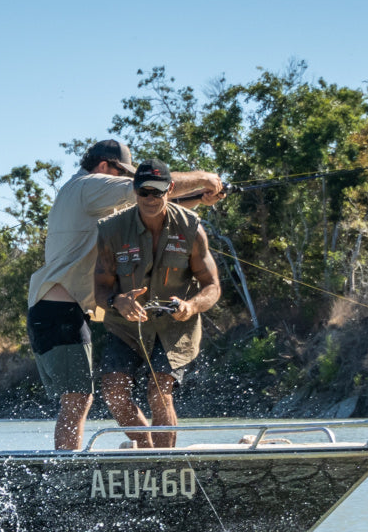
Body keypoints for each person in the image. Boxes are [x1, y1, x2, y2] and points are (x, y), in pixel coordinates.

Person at [27, 139, 224, 449]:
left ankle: (149, 460)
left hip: (61, 309)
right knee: (77, 399)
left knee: (80, 397)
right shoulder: (89, 185)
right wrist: (206, 179)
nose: (135, 188)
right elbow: (148, 184)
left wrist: (199, 198)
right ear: (106, 167)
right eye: (125, 177)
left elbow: (153, 203)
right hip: (58, 308)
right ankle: (67, 473)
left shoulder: (90, 198)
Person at [93, 159, 222, 449]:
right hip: (126, 326)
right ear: (135, 191)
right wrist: (117, 300)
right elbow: (100, 288)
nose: (151, 199)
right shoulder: (111, 230)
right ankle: (148, 456)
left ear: (171, 189)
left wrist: (191, 306)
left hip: (174, 328)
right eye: (144, 192)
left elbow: (212, 286)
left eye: (158, 192)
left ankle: (164, 464)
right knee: (113, 391)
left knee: (159, 392)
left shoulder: (191, 228)